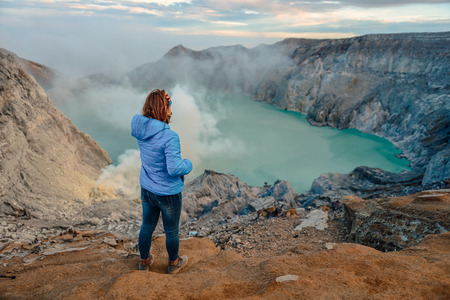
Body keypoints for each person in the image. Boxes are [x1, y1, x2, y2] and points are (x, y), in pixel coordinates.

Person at [131, 89, 193, 274]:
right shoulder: (170, 137)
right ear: (163, 109)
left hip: (148, 189)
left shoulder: (141, 131)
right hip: (168, 193)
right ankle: (173, 263)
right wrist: (188, 165)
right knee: (171, 231)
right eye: (167, 107)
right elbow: (174, 168)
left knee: (147, 226)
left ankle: (144, 262)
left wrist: (167, 103)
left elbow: (158, 120)